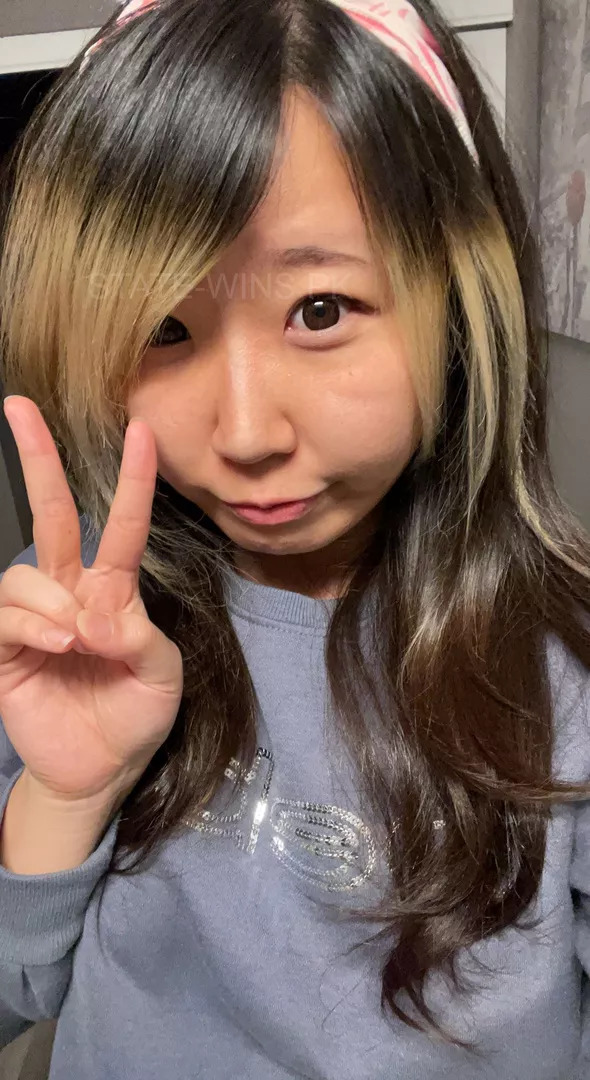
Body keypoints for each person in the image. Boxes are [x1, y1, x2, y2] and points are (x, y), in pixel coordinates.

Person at [0, 0, 589, 1077]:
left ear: (459, 293)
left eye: (320, 310)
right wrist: (64, 799)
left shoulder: (568, 666)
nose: (244, 433)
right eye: (163, 328)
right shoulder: (65, 620)